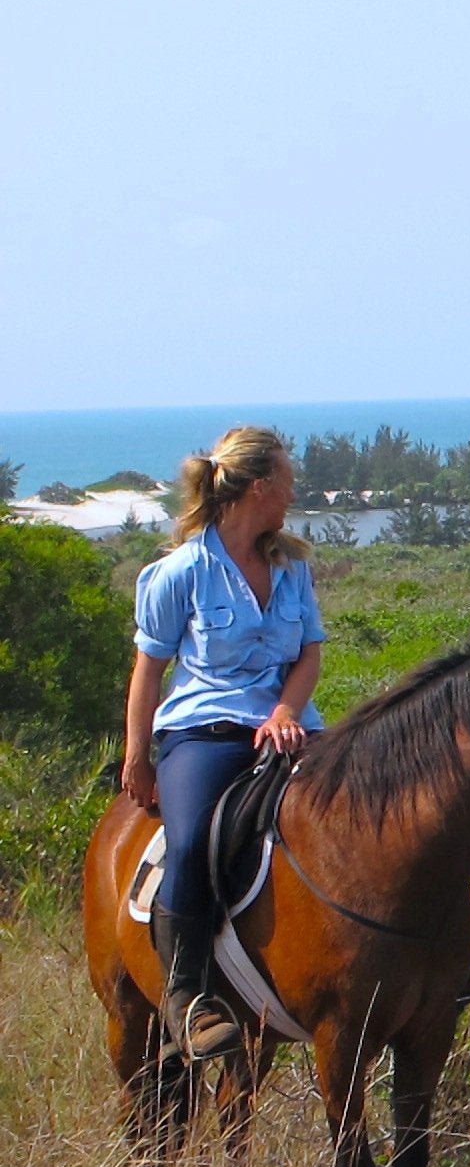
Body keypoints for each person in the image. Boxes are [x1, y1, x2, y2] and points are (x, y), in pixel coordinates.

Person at [123, 427, 325, 1062]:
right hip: (205, 729)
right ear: (259, 487)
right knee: (188, 840)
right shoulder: (179, 572)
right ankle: (187, 996)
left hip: (292, 729)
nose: (294, 493)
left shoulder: (291, 569)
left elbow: (310, 651)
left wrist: (287, 710)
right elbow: (149, 670)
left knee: (381, 802)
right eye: (287, 481)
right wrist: (137, 755)